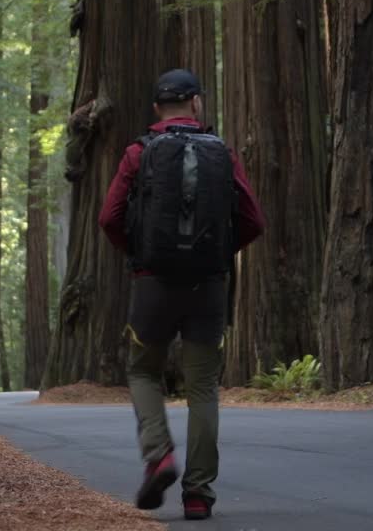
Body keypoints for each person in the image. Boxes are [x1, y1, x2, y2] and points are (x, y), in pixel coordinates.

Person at [98, 68, 264, 521]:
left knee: (143, 372)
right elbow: (252, 220)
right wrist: (215, 255)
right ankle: (198, 494)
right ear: (195, 103)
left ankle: (159, 455)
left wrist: (140, 255)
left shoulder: (138, 153)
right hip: (208, 286)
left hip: (152, 283)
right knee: (203, 386)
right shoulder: (223, 153)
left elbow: (110, 217)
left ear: (157, 108)